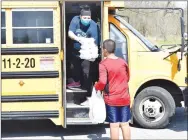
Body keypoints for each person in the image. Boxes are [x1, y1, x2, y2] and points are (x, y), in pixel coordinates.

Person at [95, 39, 131, 140]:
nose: (102, 50)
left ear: (105, 50)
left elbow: (102, 82)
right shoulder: (123, 62)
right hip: (124, 98)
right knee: (125, 124)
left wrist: (96, 87)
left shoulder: (103, 64)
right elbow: (127, 78)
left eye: (102, 49)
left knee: (114, 125)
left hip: (112, 100)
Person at [67, 5, 99, 106]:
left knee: (87, 74)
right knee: (73, 68)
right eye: (84, 18)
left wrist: (90, 49)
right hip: (75, 52)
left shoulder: (93, 26)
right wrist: (78, 39)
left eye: (88, 18)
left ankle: (88, 97)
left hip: (86, 54)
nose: (86, 20)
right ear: (80, 17)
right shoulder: (75, 20)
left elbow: (95, 43)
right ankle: (76, 82)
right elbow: (70, 33)